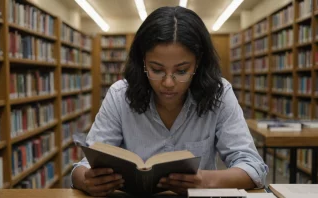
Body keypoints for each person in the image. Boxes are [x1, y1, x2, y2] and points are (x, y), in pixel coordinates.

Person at [71, 6, 268, 197]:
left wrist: (205, 180)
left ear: (197, 63)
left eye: (181, 71)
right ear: (143, 62)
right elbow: (84, 167)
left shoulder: (219, 94)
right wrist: (86, 181)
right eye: (156, 70)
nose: (168, 83)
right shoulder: (120, 95)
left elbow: (253, 167)